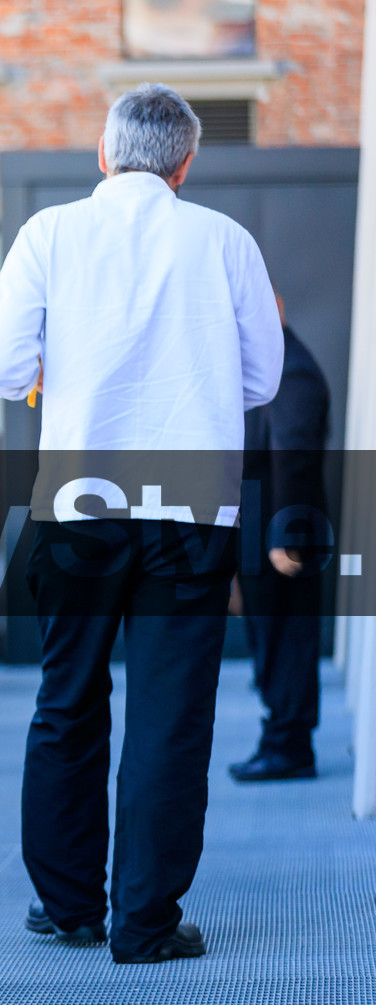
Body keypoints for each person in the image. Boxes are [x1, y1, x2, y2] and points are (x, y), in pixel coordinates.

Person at [0, 83, 282, 964]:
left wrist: (54, 377)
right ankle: (145, 923)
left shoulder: (49, 235)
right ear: (185, 164)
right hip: (191, 507)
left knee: (67, 701)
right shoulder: (226, 242)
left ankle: (69, 907)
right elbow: (261, 382)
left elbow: (0, 367)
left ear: (103, 155)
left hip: (78, 502)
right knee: (172, 713)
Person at [229, 293, 331, 782]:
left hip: (280, 535)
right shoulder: (274, 366)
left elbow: (294, 454)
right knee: (271, 637)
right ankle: (280, 739)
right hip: (265, 532)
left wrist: (285, 535)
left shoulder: (290, 367)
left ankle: (290, 746)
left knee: (286, 636)